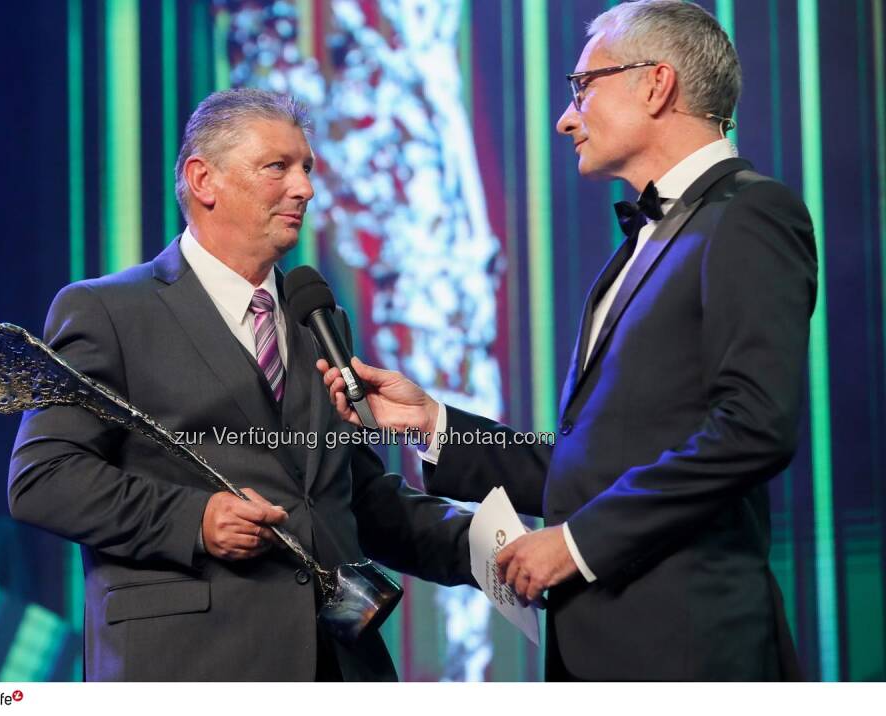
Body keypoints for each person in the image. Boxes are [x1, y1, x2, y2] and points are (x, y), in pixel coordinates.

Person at [319, 0, 813, 680]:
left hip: (689, 649)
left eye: (584, 86)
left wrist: (577, 544)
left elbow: (755, 428)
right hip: (605, 646)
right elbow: (591, 466)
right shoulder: (645, 243)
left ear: (656, 84)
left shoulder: (750, 215)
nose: (565, 116)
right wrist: (432, 423)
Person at [8, 88, 473, 681]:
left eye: (307, 168)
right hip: (190, 664)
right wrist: (195, 522)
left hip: (334, 667)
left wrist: (494, 551)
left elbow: (354, 500)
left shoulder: (318, 320)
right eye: (278, 166)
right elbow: (43, 479)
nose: (304, 188)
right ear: (204, 180)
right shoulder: (108, 311)